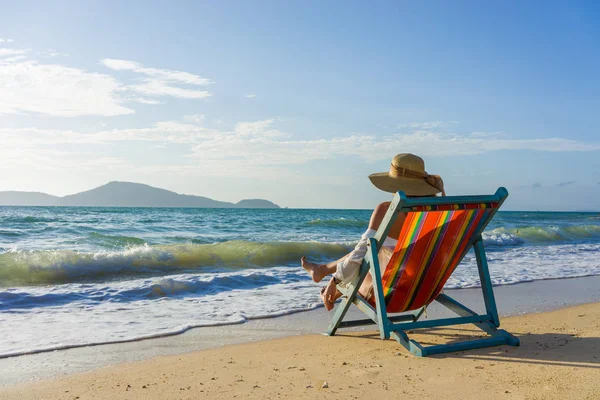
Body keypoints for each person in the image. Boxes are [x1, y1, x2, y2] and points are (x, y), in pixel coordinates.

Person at [301, 153, 445, 311]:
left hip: (390, 295)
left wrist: (334, 281)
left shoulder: (386, 209)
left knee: (369, 252)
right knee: (377, 251)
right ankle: (322, 270)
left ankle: (325, 274)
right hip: (427, 291)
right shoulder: (440, 213)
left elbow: (361, 253)